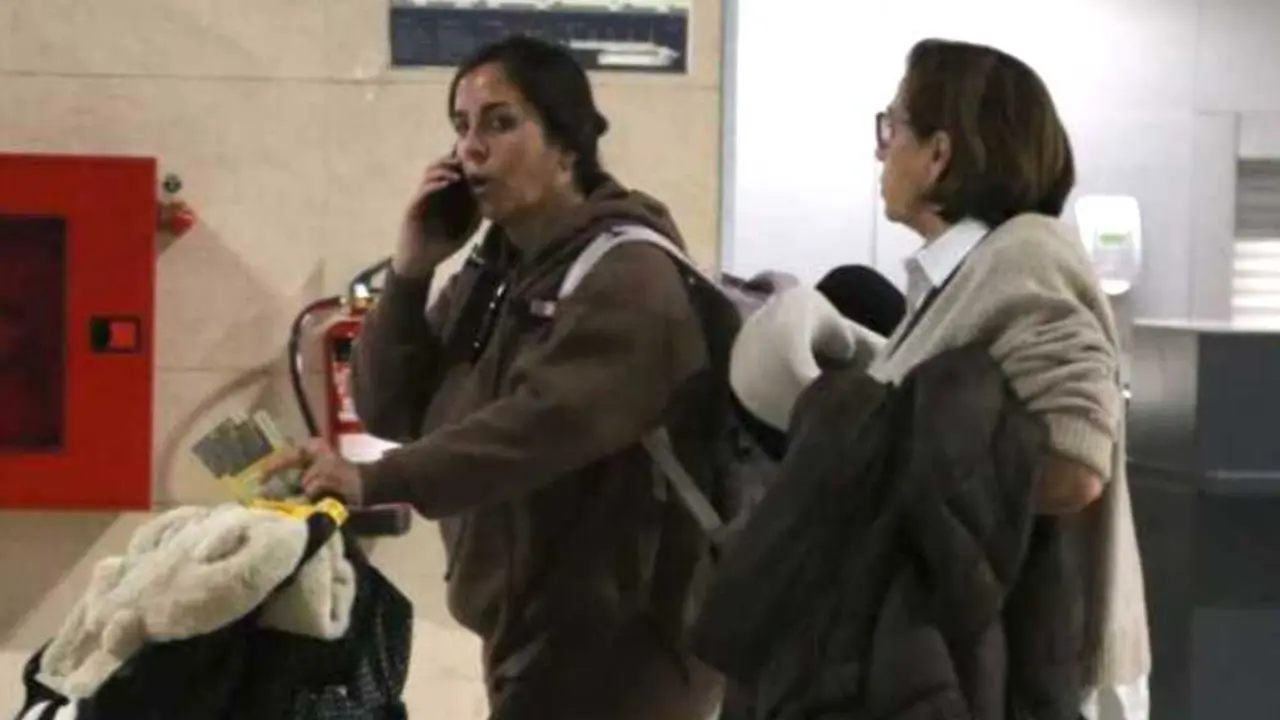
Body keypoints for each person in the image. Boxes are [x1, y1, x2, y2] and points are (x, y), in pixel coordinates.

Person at [270, 35, 721, 720]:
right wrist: (412, 269)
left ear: (567, 146)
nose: (470, 148)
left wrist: (376, 481)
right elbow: (390, 407)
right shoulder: (500, 270)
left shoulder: (629, 276)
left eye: (500, 123)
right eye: (461, 126)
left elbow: (538, 426)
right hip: (531, 630)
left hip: (620, 649)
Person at [869, 39, 1150, 719]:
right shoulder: (964, 276)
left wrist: (903, 495)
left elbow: (1076, 460)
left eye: (892, 127)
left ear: (939, 153)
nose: (881, 151)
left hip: (1029, 674)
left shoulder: (1024, 255)